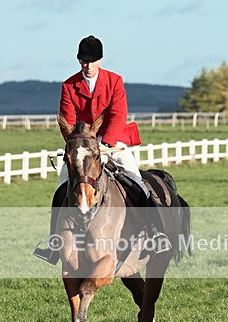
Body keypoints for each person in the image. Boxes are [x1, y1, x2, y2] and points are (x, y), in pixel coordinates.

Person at [34, 36, 170, 264]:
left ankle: (156, 232)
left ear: (100, 60)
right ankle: (54, 244)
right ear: (79, 60)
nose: (88, 65)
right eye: (84, 61)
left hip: (112, 141)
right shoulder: (68, 85)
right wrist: (76, 146)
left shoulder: (114, 81)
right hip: (83, 145)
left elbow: (118, 114)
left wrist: (106, 143)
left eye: (92, 61)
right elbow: (67, 121)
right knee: (61, 185)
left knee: (135, 178)